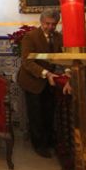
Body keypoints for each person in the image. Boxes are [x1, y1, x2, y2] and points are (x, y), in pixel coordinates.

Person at [16, 9, 64, 158]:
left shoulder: (57, 37)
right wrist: (45, 73)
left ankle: (49, 140)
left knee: (48, 111)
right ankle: (39, 145)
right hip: (32, 80)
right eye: (47, 24)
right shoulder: (30, 37)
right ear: (41, 22)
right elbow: (27, 61)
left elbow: (60, 56)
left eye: (53, 24)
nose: (50, 27)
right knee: (36, 114)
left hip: (49, 81)